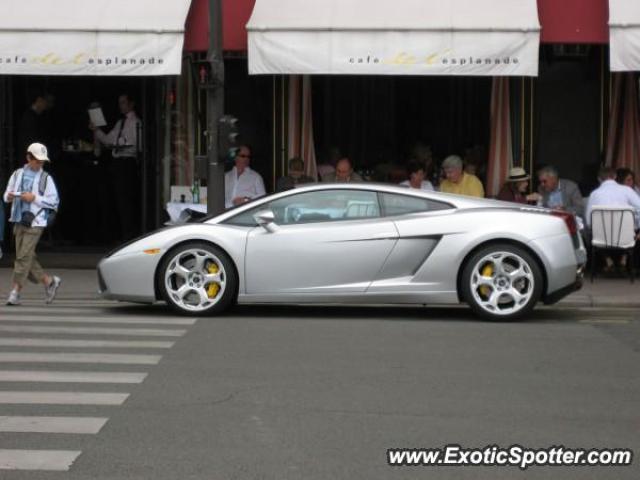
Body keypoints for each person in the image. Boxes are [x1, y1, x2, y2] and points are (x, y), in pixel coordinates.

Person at [2, 143, 61, 306]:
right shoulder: (17, 174)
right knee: (26, 258)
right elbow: (6, 195)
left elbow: (54, 202)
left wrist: (34, 198)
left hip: (36, 222)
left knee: (22, 258)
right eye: (37, 161)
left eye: (42, 161)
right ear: (28, 158)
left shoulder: (46, 178)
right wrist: (13, 196)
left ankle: (15, 293)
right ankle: (50, 282)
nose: (40, 164)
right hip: (18, 219)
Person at [90, 93, 141, 240]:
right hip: (118, 163)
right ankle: (122, 233)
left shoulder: (136, 122)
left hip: (128, 163)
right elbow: (108, 140)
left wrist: (119, 143)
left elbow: (135, 145)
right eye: (120, 103)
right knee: (118, 200)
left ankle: (130, 234)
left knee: (127, 200)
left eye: (124, 103)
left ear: (131, 104)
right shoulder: (120, 123)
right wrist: (96, 130)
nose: (121, 106)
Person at [585, 166, 640, 271]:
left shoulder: (594, 194)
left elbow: (588, 221)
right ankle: (624, 259)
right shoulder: (627, 190)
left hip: (602, 239)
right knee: (634, 230)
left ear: (599, 179)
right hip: (626, 237)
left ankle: (608, 260)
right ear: (615, 177)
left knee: (593, 231)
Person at [18, 93, 55, 158]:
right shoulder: (29, 117)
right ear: (39, 100)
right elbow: (29, 139)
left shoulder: (38, 116)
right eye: (46, 102)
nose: (48, 105)